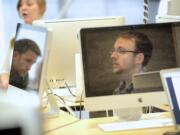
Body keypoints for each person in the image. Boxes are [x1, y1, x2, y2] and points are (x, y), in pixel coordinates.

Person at [0, 0, 46, 89]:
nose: (23, 8)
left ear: (41, 8)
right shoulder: (15, 35)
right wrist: (5, 79)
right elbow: (5, 70)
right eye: (20, 5)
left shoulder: (49, 33)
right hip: (16, 91)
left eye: (29, 4)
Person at [110, 30, 153, 121]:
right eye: (114, 50)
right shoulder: (118, 91)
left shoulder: (152, 90)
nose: (113, 56)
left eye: (121, 51)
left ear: (139, 58)